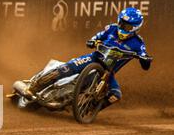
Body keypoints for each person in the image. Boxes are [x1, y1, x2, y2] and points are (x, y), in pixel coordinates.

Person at [23, 7, 153, 107]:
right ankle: (34, 87)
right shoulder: (112, 29)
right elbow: (98, 36)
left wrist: (145, 59)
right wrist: (92, 41)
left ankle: (87, 108)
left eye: (127, 26)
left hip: (108, 73)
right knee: (66, 68)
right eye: (121, 23)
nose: (122, 27)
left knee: (115, 95)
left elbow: (144, 59)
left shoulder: (138, 43)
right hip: (93, 58)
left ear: (135, 28)